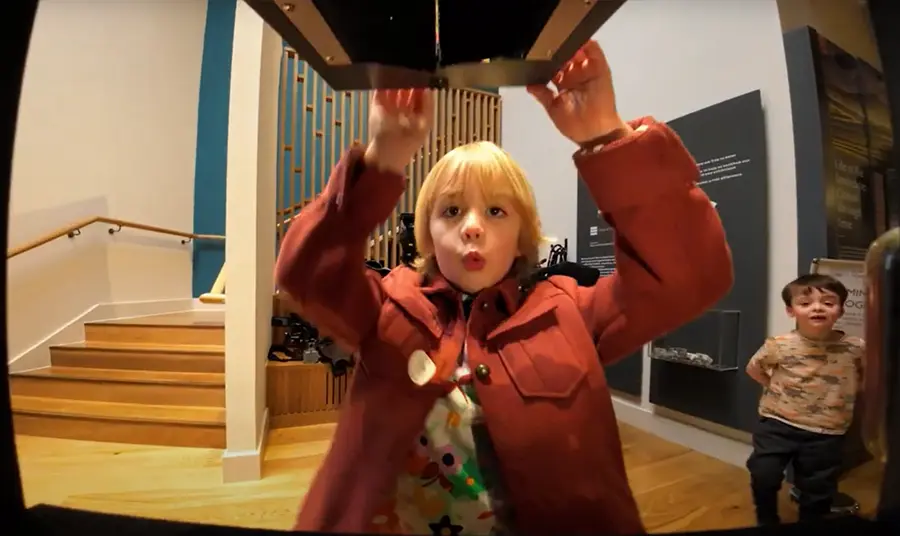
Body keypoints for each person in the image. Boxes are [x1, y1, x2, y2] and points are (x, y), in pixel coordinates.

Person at [275, 40, 733, 536]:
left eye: (496, 211)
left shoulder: (573, 313)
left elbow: (689, 278)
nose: (472, 227)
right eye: (451, 211)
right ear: (427, 233)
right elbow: (306, 272)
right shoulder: (384, 305)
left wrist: (606, 137)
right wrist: (383, 159)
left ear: (522, 235)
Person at [745, 274, 866, 525]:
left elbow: (866, 377)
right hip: (777, 423)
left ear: (841, 310)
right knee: (763, 475)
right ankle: (766, 520)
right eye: (806, 302)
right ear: (791, 311)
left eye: (828, 302)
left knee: (818, 489)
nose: (818, 307)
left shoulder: (855, 348)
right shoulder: (778, 345)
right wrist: (774, 387)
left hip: (828, 430)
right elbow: (754, 369)